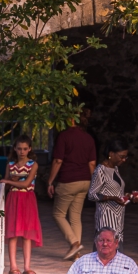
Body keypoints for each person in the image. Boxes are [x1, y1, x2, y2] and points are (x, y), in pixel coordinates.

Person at [47, 109, 97, 260]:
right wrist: (92, 183)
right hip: (85, 181)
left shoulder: (64, 136)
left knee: (58, 214)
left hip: (68, 181)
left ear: (70, 118)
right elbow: (92, 163)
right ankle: (76, 255)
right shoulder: (88, 138)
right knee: (75, 216)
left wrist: (50, 181)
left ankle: (74, 243)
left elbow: (58, 161)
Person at [1, 134, 42, 274]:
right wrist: (9, 181)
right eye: (19, 149)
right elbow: (4, 184)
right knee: (12, 232)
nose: (22, 151)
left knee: (27, 234)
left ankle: (27, 266)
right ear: (15, 149)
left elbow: (25, 183)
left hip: (27, 198)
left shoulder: (33, 164)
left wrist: (10, 181)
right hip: (13, 198)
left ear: (29, 149)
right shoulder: (10, 164)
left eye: (25, 148)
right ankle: (13, 265)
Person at [88, 140, 138, 243]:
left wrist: (129, 197)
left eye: (126, 157)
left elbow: (116, 192)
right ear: (111, 154)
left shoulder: (115, 168)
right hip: (106, 220)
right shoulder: (100, 171)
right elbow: (91, 195)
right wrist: (111, 198)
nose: (124, 160)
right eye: (121, 156)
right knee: (106, 250)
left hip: (118, 221)